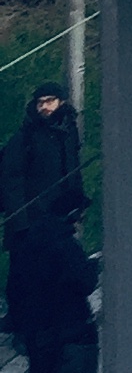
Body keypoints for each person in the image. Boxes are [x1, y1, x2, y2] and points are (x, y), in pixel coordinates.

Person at [9, 192, 101, 373]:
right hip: (71, 327)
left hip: (38, 332)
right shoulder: (66, 246)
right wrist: (93, 264)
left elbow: (14, 289)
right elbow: (85, 283)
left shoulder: (27, 244)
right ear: (73, 217)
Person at [0, 85, 85, 251]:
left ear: (61, 102)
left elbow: (73, 171)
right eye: (40, 102)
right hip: (30, 225)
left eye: (50, 101)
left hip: (61, 219)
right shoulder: (25, 137)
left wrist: (77, 205)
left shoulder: (69, 133)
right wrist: (21, 225)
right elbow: (11, 181)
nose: (44, 107)